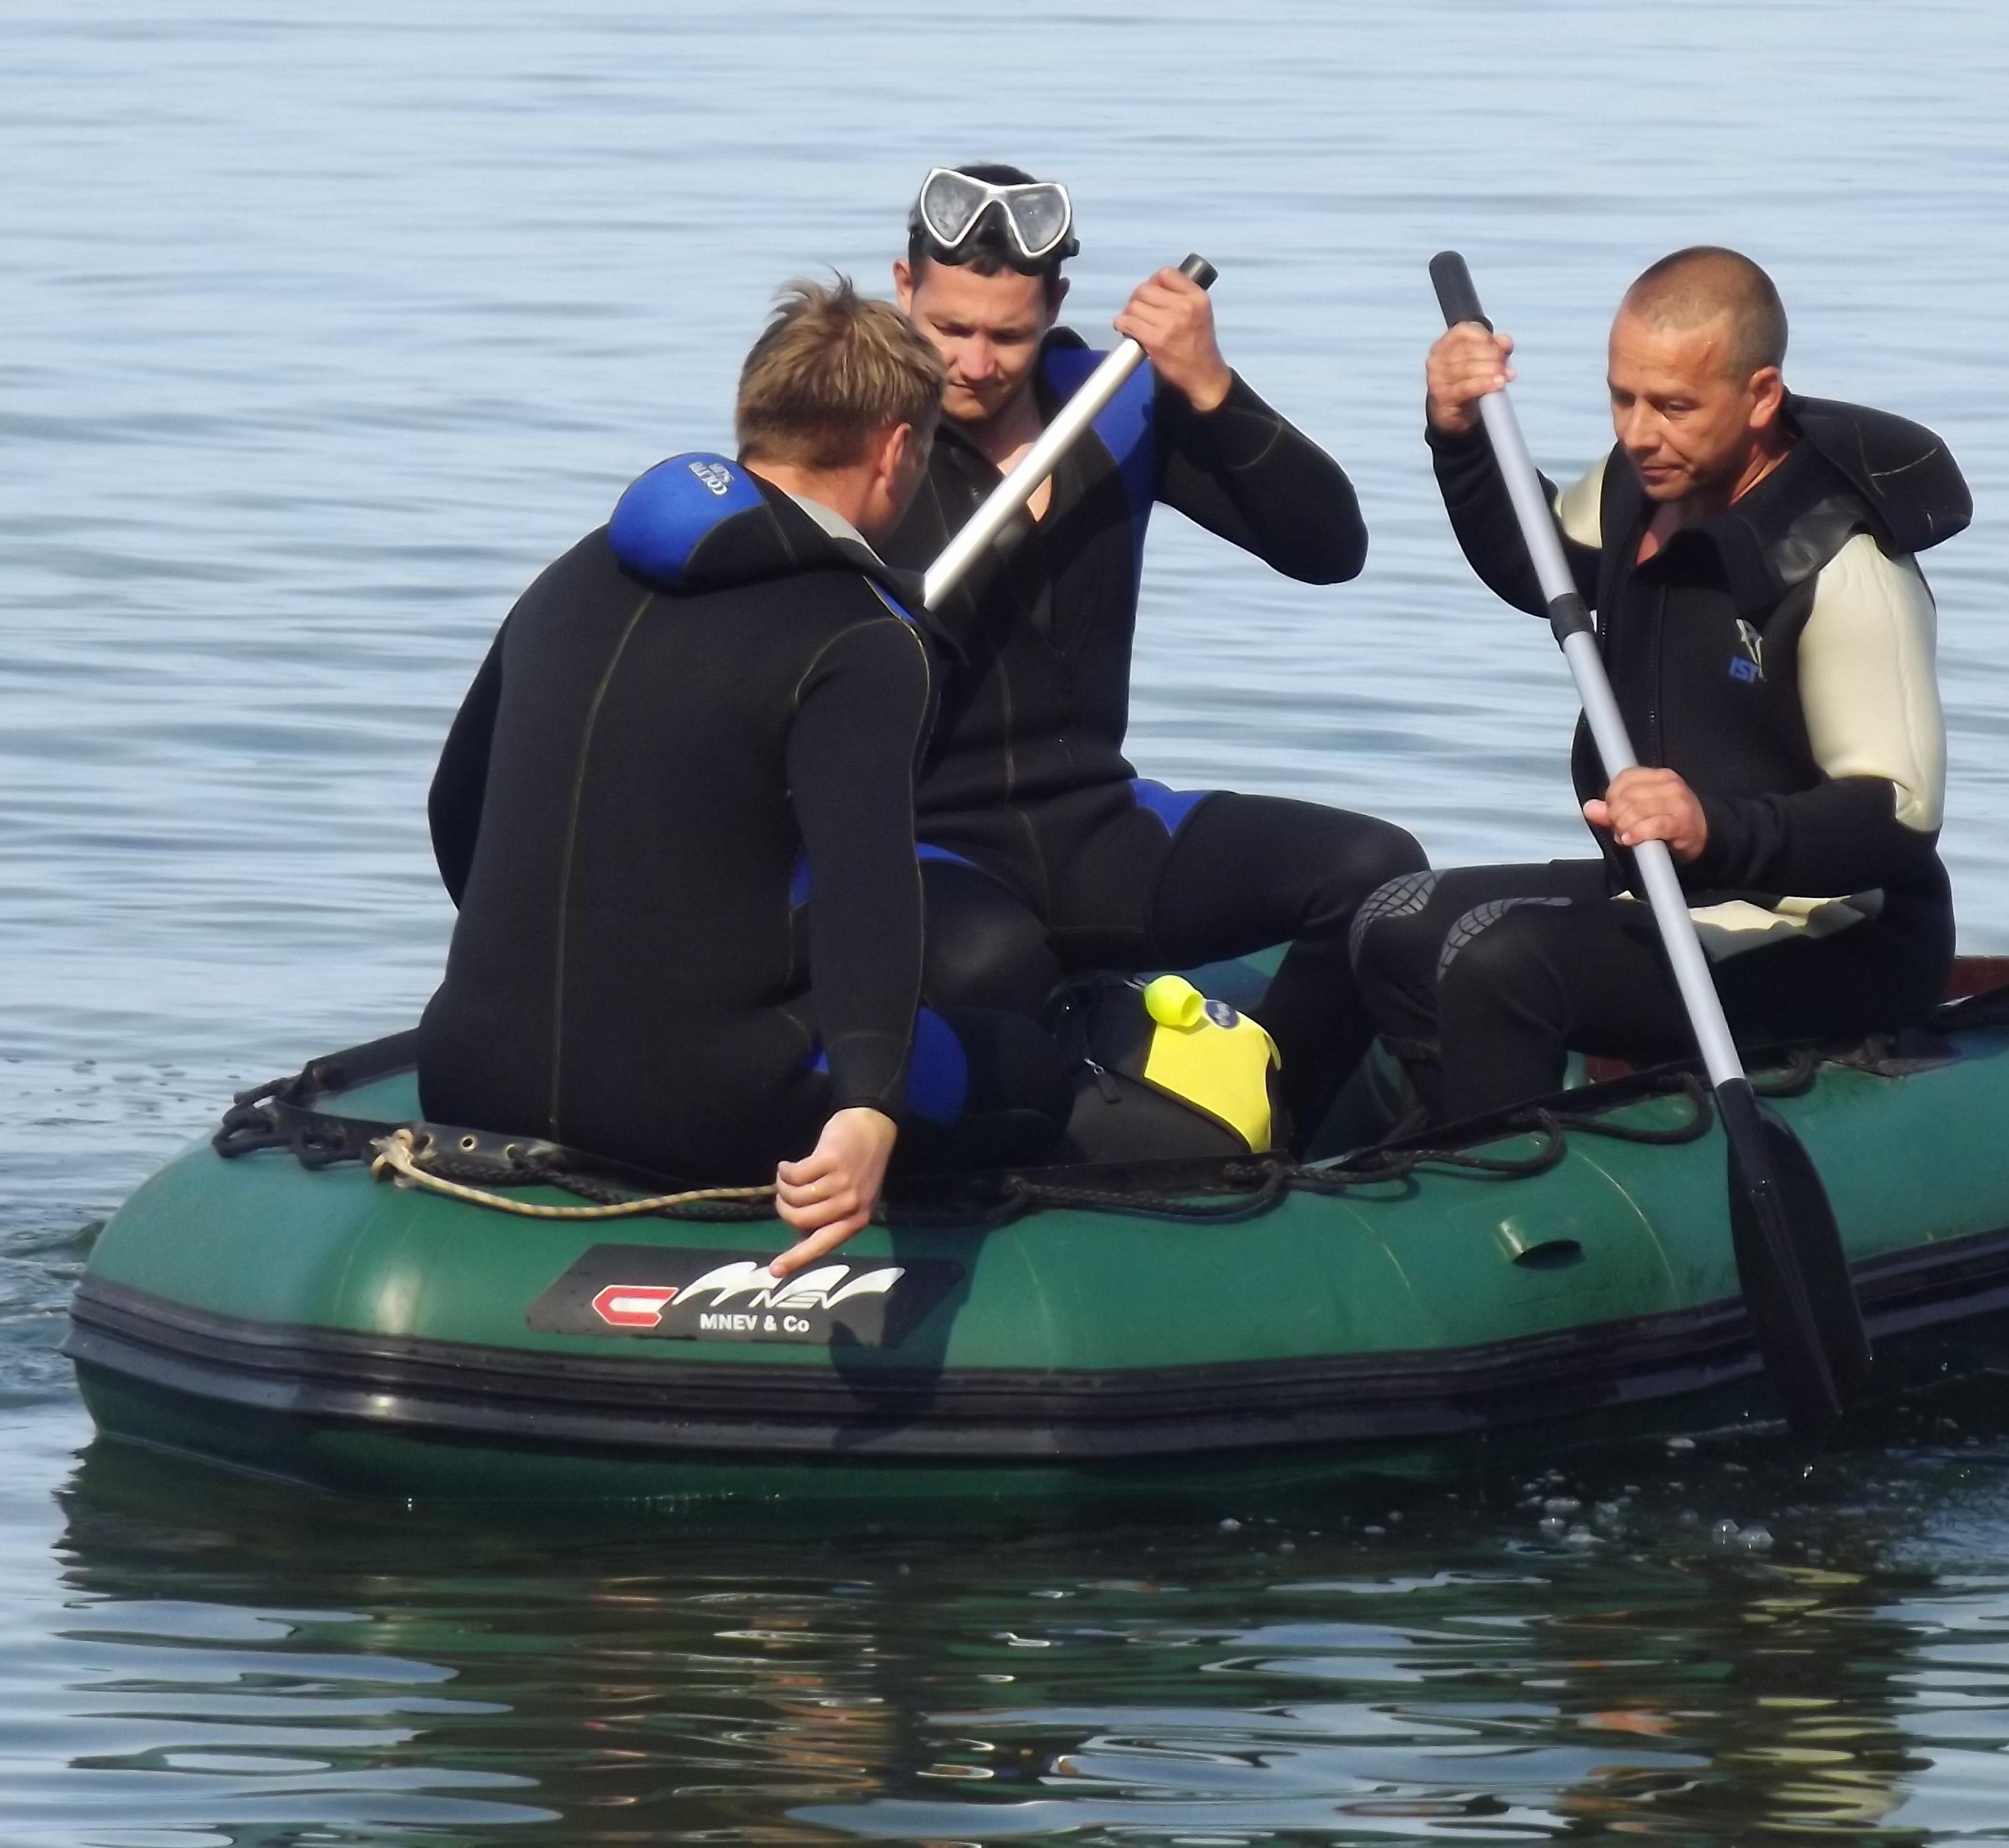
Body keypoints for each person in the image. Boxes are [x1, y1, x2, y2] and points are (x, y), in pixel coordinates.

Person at [418, 278, 1072, 1275]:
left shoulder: (572, 573)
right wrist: (866, 1110)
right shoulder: (862, 638)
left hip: (468, 1070)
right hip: (700, 1113)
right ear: (897, 449)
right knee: (1031, 1067)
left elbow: (454, 810)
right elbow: (867, 891)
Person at [1351, 245, 1970, 1123]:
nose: (1640, 432)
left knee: (1502, 966)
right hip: (1664, 886)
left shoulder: (1846, 569)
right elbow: (1546, 570)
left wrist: (1711, 826)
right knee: (1394, 923)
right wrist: (1458, 436)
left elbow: (1898, 818)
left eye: (1675, 407)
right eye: (1622, 397)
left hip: (1828, 933)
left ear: (1760, 397)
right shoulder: (1643, 482)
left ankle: (1515, 1209)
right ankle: (1445, 1157)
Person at [877, 163, 1425, 1144]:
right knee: (993, 965)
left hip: (1094, 824)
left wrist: (1212, 387)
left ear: (1056, 306)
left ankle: (1267, 1129)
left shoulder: (1115, 406)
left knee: (1377, 872)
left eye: (1008, 334)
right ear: (902, 287)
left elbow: (1331, 549)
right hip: (924, 841)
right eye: (948, 327)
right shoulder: (856, 433)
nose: (974, 362)